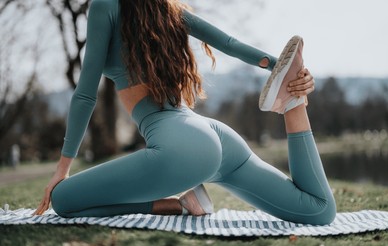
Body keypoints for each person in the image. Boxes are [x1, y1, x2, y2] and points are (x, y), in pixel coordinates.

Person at [34, 0, 336, 225]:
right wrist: (278, 66)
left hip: (182, 147)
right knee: (318, 210)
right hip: (216, 137)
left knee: (63, 199)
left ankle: (176, 206)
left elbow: (85, 94)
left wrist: (62, 169)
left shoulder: (105, 6)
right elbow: (228, 44)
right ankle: (292, 103)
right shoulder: (167, 9)